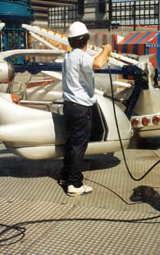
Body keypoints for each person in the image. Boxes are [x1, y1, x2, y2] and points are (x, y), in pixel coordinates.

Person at [61, 21, 112, 196]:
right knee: (79, 145)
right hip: (80, 107)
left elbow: (93, 61)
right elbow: (98, 64)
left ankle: (66, 176)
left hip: (69, 105)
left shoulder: (69, 57)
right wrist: (106, 50)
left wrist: (101, 53)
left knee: (71, 143)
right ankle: (75, 184)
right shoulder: (79, 56)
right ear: (86, 40)